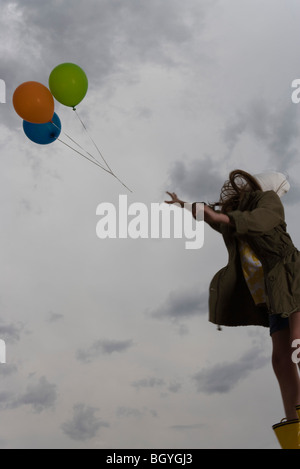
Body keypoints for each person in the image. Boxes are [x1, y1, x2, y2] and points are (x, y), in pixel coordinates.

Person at [165, 169, 300, 449]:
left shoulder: (269, 202)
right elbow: (217, 220)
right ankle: (295, 422)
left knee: (298, 344)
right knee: (280, 360)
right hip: (276, 296)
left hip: (294, 279)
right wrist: (186, 205)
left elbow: (260, 220)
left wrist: (219, 216)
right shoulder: (236, 220)